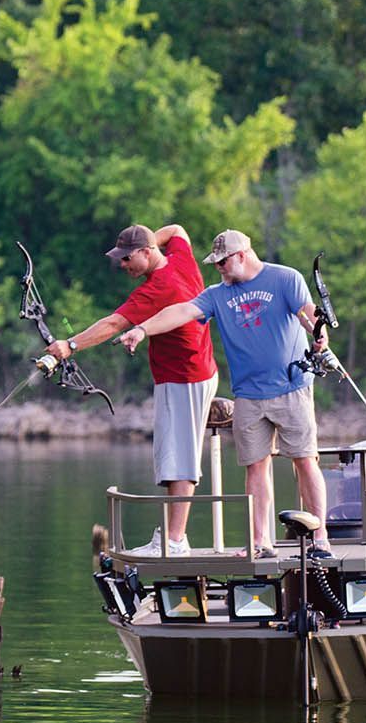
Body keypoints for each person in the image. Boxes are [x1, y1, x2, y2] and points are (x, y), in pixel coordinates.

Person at [118, 229, 333, 560]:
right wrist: (142, 329)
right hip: (247, 394)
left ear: (242, 255)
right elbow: (180, 312)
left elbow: (308, 314)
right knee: (255, 467)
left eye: (222, 262)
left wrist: (319, 335)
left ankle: (320, 539)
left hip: (292, 387)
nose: (218, 268)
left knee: (305, 460)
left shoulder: (284, 278)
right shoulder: (217, 294)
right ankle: (260, 543)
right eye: (215, 263)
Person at [44, 223, 217, 557]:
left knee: (179, 460)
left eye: (127, 259)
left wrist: (71, 344)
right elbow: (178, 229)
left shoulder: (156, 290)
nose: (122, 265)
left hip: (185, 377)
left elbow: (112, 324)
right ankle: (170, 537)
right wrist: (151, 237)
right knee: (172, 457)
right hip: (192, 374)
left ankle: (175, 541)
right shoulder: (180, 259)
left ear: (147, 253)